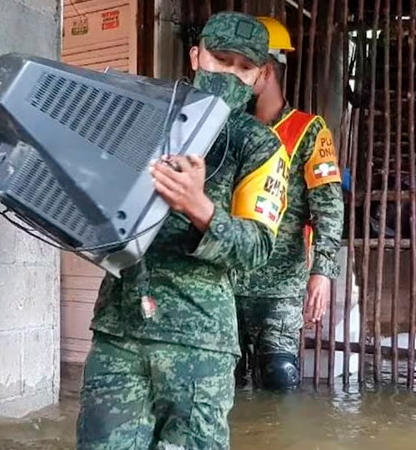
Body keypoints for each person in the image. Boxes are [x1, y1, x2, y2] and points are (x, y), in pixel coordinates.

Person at [76, 12, 290, 450]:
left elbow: (257, 248)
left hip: (198, 341)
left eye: (243, 66)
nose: (229, 73)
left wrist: (200, 208)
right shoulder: (144, 115)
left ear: (258, 76)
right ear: (196, 56)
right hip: (120, 328)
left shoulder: (260, 145)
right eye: (220, 59)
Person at [232, 16, 344, 391]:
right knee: (223, 382)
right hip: (227, 280)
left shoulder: (309, 130)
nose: (234, 76)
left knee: (279, 378)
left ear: (265, 70)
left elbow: (328, 206)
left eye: (243, 67)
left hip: (282, 285)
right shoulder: (227, 129)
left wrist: (323, 272)